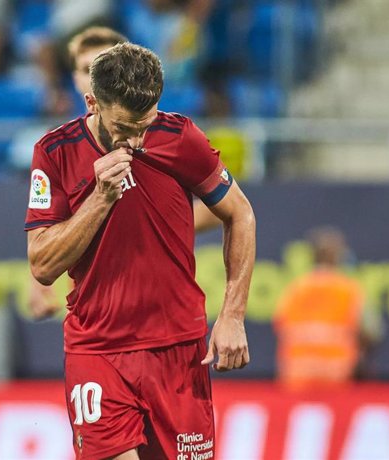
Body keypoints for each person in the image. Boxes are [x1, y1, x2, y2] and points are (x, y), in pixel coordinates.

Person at [25, 43, 256, 458]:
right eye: (124, 127)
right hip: (98, 351)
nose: (135, 140)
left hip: (178, 350)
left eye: (144, 125)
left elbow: (240, 215)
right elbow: (42, 264)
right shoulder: (55, 152)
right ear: (92, 102)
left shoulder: (181, 137)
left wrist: (233, 315)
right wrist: (100, 198)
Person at [28, 27, 221, 319]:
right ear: (76, 77)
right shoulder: (54, 148)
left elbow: (221, 206)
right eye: (84, 68)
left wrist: (148, 232)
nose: (92, 78)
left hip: (157, 308)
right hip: (90, 307)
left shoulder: (170, 134)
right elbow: (44, 229)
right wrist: (36, 283)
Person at [274, 227, 382, 391]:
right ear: (339, 256)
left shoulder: (295, 289)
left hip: (297, 377)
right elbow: (372, 332)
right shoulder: (349, 290)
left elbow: (280, 325)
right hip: (338, 377)